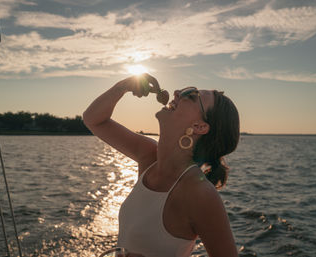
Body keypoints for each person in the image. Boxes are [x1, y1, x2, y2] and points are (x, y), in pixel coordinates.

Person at [83, 73, 240, 257]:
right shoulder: (149, 156)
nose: (176, 93)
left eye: (190, 95)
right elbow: (93, 119)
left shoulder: (200, 194)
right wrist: (123, 87)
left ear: (199, 127)